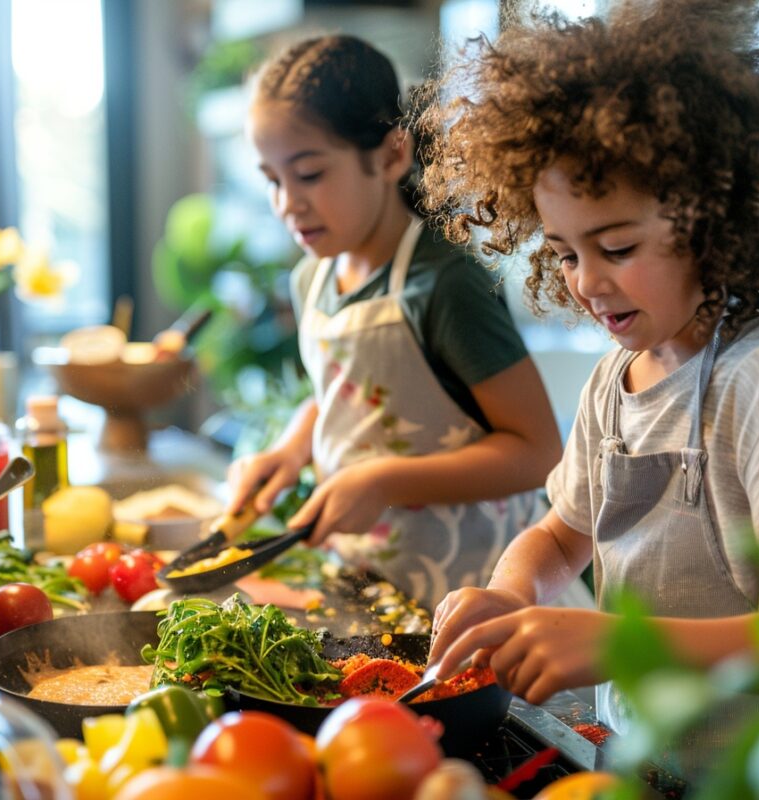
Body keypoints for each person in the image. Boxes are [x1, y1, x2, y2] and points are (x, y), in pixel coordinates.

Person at [419, 0, 759, 777]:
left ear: (713, 217)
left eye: (618, 246)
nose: (588, 283)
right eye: (563, 253)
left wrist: (621, 642)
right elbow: (565, 534)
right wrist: (511, 590)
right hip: (641, 759)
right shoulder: (613, 382)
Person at [225, 35, 564, 607]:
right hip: (370, 588)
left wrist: (384, 482)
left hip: (476, 593)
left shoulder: (446, 284)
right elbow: (350, 394)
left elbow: (537, 453)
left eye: (308, 174)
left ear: (390, 155)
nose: (287, 203)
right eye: (272, 179)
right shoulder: (313, 280)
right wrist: (291, 447)